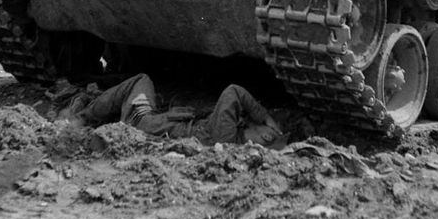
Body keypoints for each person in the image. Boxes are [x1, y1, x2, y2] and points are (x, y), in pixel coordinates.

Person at [59, 73, 284, 148]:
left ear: (266, 135)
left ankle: (80, 118)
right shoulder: (227, 140)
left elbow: (233, 91)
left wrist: (264, 116)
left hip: (142, 123)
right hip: (158, 129)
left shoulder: (225, 134)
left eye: (262, 127)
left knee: (141, 80)